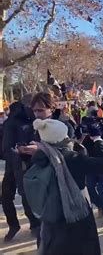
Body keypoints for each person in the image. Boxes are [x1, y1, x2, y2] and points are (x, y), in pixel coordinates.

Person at [27, 118, 103, 254]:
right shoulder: (72, 158)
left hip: (51, 218)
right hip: (76, 216)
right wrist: (98, 140)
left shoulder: (41, 156)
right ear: (62, 137)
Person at [1, 101, 40, 242]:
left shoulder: (25, 124)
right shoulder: (13, 123)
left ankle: (32, 224)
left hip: (21, 162)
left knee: (23, 195)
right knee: (9, 195)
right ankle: (19, 225)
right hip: (14, 163)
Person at [83, 123, 103, 223]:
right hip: (92, 170)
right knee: (90, 188)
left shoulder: (101, 143)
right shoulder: (87, 141)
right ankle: (101, 206)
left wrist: (91, 160)